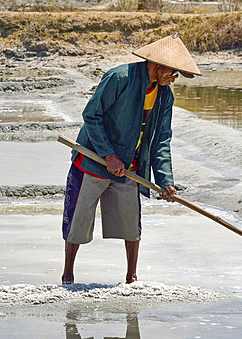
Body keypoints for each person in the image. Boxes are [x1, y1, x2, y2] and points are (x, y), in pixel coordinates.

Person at [61, 33, 201, 285]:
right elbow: (92, 116)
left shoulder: (165, 96)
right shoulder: (119, 78)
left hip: (128, 166)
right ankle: (68, 275)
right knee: (78, 221)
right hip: (93, 161)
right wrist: (108, 155)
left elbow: (161, 139)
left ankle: (131, 277)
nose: (174, 78)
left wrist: (165, 180)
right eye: (173, 72)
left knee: (131, 223)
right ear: (158, 67)